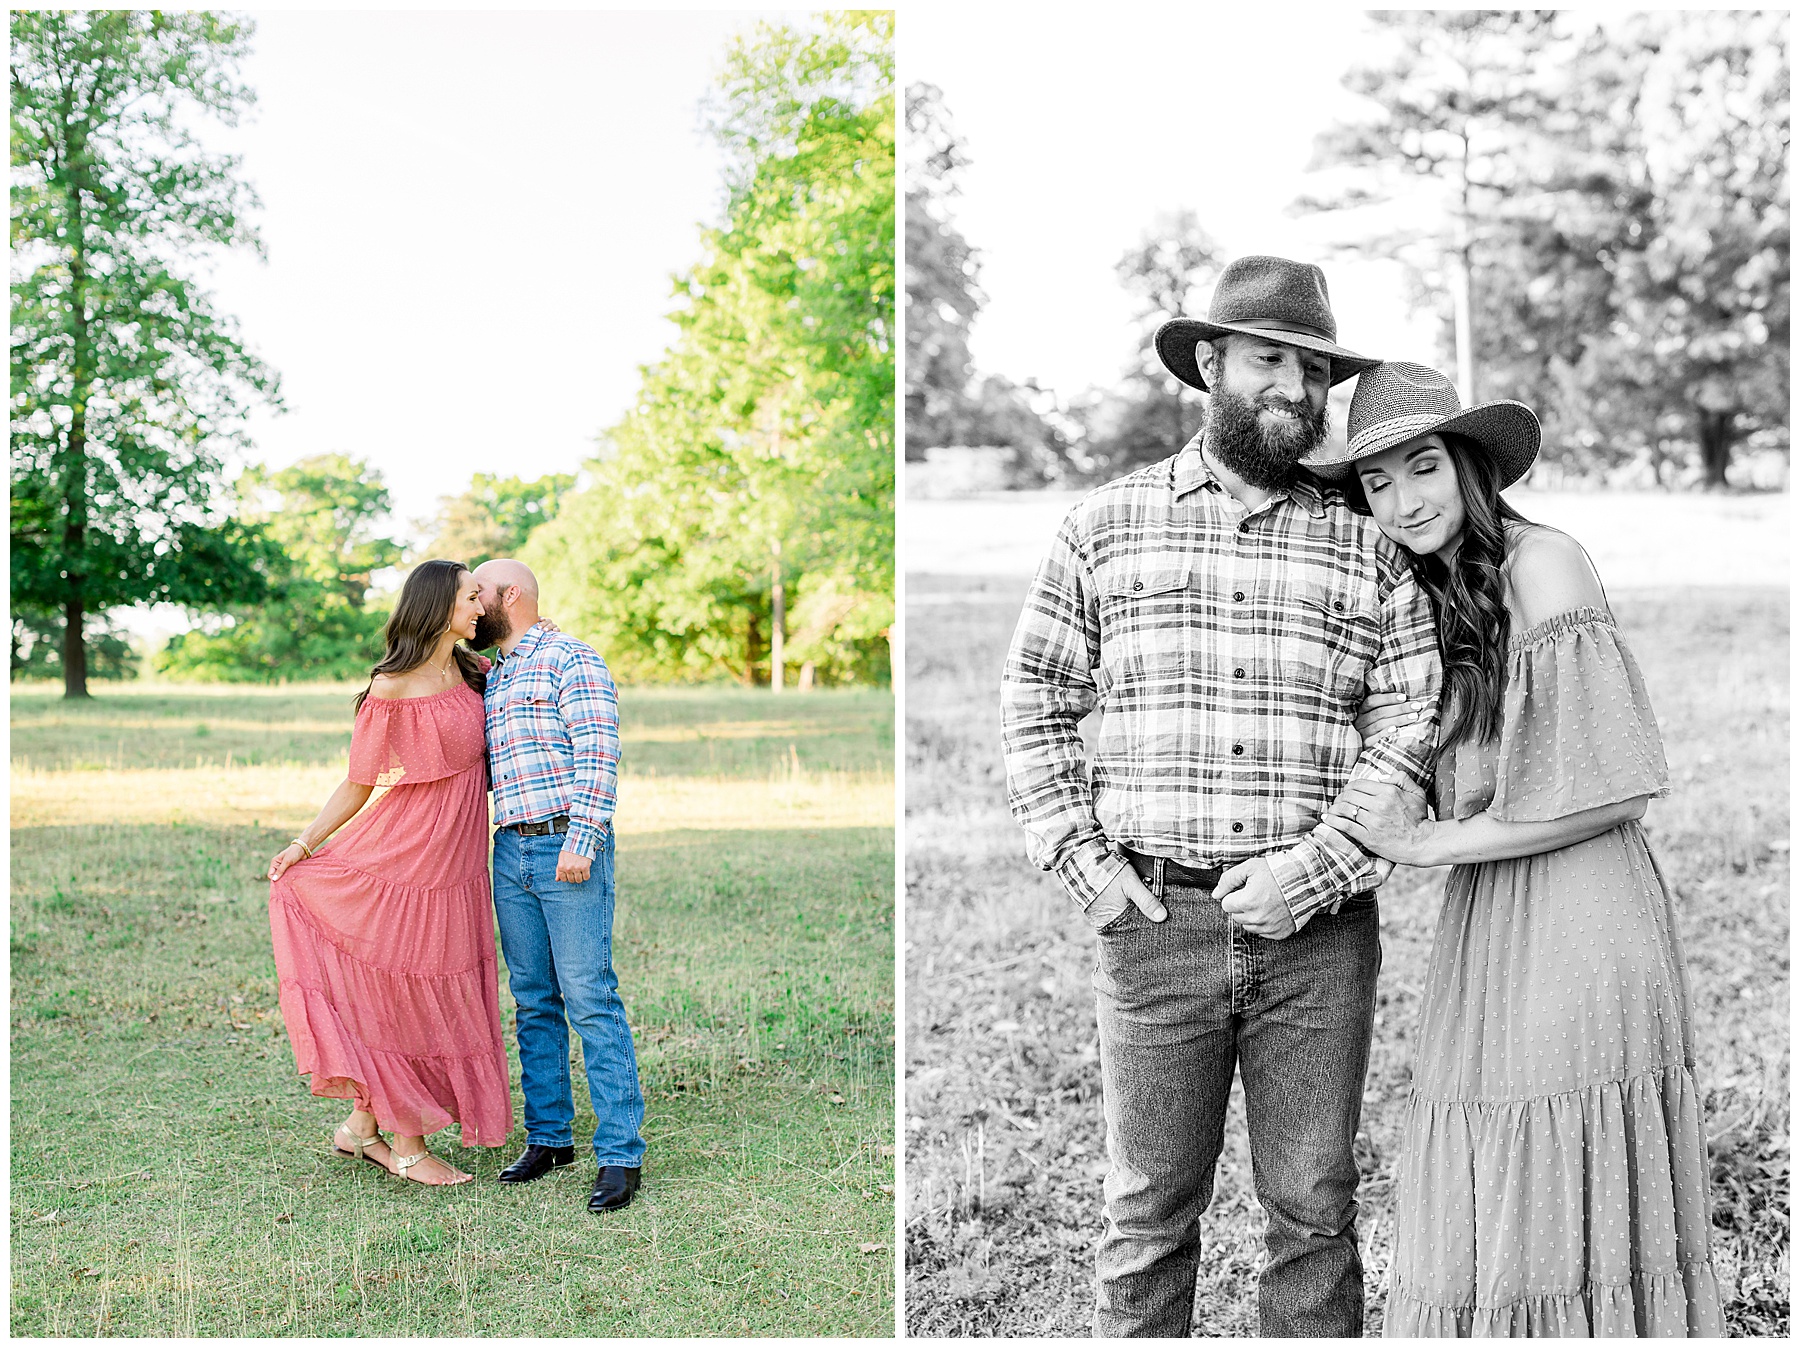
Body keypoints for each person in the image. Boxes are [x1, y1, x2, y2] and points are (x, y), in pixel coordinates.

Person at [1000, 256, 1443, 1337]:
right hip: (1153, 925)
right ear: (1210, 362)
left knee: (1314, 1210)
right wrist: (1090, 871)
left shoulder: (1369, 541)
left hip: (1321, 933)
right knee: (1146, 1213)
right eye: (1268, 359)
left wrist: (1318, 869)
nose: (1296, 387)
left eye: (1314, 369)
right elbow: (1035, 698)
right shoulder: (1105, 524)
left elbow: (1409, 720)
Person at [1314, 361, 1725, 1336]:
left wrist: (1428, 842)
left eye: (1421, 468)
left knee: (1555, 1159)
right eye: (1377, 484)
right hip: (1490, 916)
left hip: (1581, 911)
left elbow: (1614, 784)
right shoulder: (1437, 589)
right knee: (1491, 1159)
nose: (1402, 501)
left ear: (1468, 464)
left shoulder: (1545, 563)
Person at [267, 559, 513, 1185]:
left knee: (434, 984)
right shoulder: (392, 686)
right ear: (436, 604)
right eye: (468, 597)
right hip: (404, 858)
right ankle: (407, 1146)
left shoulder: (472, 668)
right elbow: (358, 784)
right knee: (405, 990)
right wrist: (304, 843)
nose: (479, 607)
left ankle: (360, 1128)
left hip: (456, 865)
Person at [470, 558, 647, 1214]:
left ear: (509, 595)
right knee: (533, 1001)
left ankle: (622, 1152)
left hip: (566, 844)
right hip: (509, 850)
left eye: (478, 593)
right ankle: (548, 1137)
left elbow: (600, 751)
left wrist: (582, 839)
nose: (471, 606)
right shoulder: (493, 674)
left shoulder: (572, 658)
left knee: (589, 996)